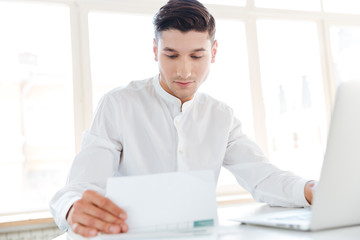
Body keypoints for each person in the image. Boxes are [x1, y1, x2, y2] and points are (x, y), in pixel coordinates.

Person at [50, 0, 316, 237]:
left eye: (197, 56)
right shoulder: (119, 104)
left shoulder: (221, 115)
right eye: (171, 55)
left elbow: (262, 178)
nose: (184, 71)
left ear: (213, 52)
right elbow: (80, 185)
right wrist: (73, 206)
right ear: (155, 50)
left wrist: (311, 189)